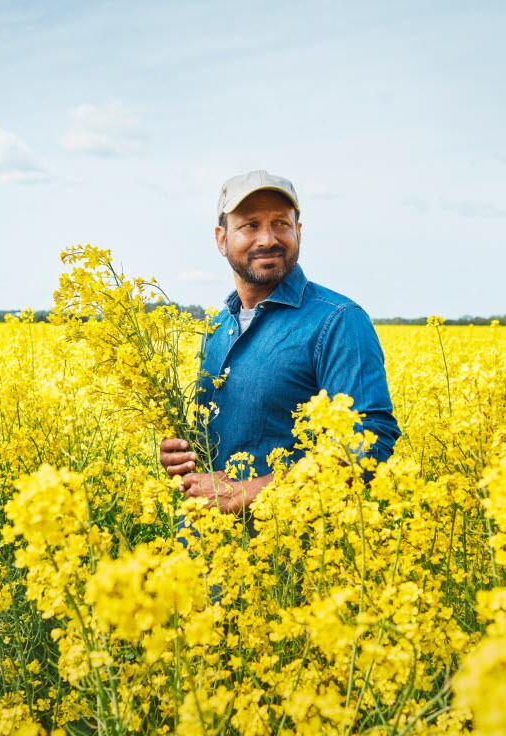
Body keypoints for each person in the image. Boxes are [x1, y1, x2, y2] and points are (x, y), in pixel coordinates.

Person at [159, 170, 400, 514]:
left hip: (289, 543)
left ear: (298, 232)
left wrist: (248, 492)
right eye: (250, 225)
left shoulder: (338, 319)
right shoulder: (216, 327)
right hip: (205, 538)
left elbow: (370, 441)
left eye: (281, 224)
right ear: (221, 239)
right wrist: (180, 456)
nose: (268, 239)